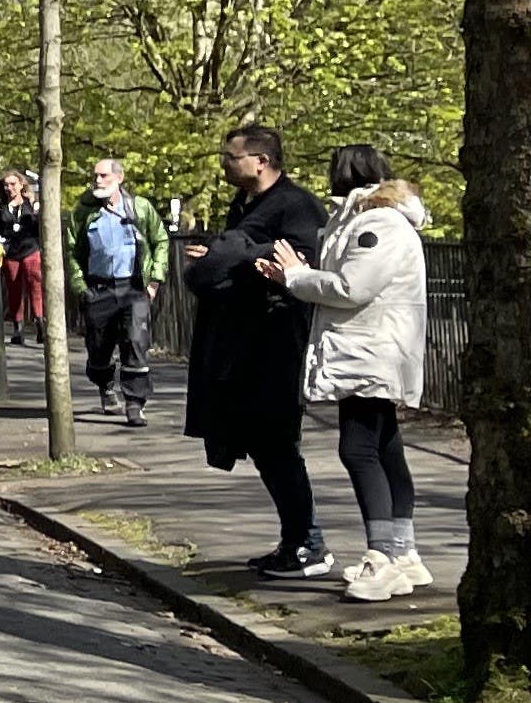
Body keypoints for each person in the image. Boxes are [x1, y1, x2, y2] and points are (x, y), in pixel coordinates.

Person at [273, 144, 433, 600]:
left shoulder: (377, 223)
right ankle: (403, 553)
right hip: (372, 348)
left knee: (358, 447)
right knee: (384, 447)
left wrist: (297, 277)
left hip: (371, 350)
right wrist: (294, 277)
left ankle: (381, 556)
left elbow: (352, 286)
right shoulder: (363, 219)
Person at [179, 123, 333, 581]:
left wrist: (235, 254)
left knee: (278, 441)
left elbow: (299, 261)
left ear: (260, 161)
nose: (225, 164)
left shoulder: (296, 205)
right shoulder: (245, 204)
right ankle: (295, 539)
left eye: (232, 156)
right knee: (260, 443)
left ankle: (309, 542)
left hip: (276, 341)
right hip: (240, 341)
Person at [69, 158, 171, 428]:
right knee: (99, 349)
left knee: (135, 343)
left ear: (119, 178)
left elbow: (160, 240)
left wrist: (155, 281)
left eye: (103, 176)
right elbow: (71, 253)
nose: (97, 181)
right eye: (95, 176)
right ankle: (104, 385)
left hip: (134, 288)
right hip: (99, 290)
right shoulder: (83, 212)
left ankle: (135, 403)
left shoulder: (139, 208)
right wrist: (81, 288)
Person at [0, 173, 49, 344]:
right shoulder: (1, 207)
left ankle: (40, 323)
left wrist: (37, 209)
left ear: (20, 185)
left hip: (30, 249)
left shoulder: (31, 204)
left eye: (12, 184)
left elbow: (39, 227)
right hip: (11, 252)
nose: (9, 188)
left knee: (35, 285)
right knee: (14, 289)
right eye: (6, 185)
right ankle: (18, 329)